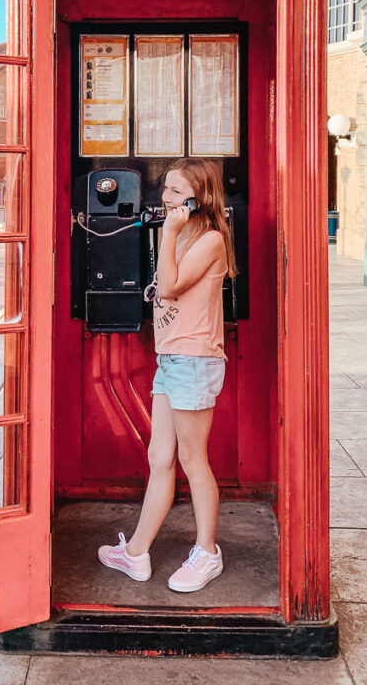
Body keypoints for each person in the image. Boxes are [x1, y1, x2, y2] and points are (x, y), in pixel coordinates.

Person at [97, 158, 237, 593]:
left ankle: (207, 553)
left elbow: (171, 287)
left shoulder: (211, 238)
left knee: (194, 461)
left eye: (177, 192)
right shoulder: (186, 234)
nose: (166, 197)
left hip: (194, 359)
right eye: (167, 189)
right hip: (172, 359)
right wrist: (173, 233)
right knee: (160, 459)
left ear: (200, 198)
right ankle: (136, 552)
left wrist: (170, 231)